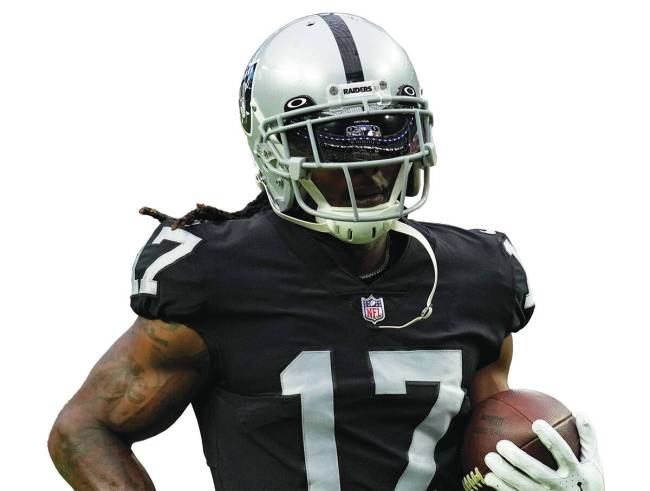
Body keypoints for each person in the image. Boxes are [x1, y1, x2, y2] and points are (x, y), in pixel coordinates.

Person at [48, 12, 604, 491]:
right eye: (335, 139)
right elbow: (84, 428)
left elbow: (483, 442)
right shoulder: (218, 276)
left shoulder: (476, 278)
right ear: (273, 147)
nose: (368, 167)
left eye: (386, 134)